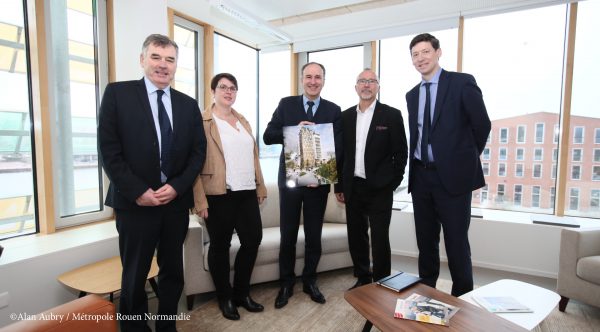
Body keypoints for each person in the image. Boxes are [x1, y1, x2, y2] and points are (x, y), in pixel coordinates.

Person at [98, 34, 206, 331]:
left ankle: (166, 325)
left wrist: (178, 186)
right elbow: (109, 150)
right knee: (135, 274)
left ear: (175, 66)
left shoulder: (187, 104)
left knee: (173, 271)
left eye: (170, 59)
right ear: (142, 59)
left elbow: (198, 153)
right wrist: (138, 192)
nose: (163, 65)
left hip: (174, 203)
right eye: (156, 57)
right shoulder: (118, 94)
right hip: (135, 205)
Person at [405, 33, 491, 296]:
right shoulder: (411, 95)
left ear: (438, 52)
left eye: (425, 52)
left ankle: (463, 296)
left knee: (456, 242)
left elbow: (482, 124)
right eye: (415, 55)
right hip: (421, 178)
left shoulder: (461, 83)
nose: (420, 58)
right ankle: (427, 291)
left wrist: (462, 159)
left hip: (453, 179)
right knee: (426, 242)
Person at [263, 62, 342, 308]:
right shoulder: (286, 105)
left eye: (318, 77)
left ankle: (310, 280)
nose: (313, 81)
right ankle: (286, 283)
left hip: (316, 186)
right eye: (308, 76)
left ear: (323, 81)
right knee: (288, 235)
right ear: (301, 79)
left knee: (313, 237)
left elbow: (337, 148)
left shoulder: (333, 110)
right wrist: (293, 130)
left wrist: (319, 177)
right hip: (290, 184)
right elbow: (268, 136)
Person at [192, 73, 267, 320]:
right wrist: (199, 201)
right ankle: (225, 298)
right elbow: (193, 163)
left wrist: (260, 186)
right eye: (223, 87)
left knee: (252, 240)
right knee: (220, 247)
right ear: (213, 90)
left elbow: (253, 156)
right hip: (218, 194)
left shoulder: (242, 120)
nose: (228, 91)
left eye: (233, 88)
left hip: (246, 192)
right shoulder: (202, 121)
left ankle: (241, 293)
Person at [336, 68, 408, 289]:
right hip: (353, 186)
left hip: (380, 188)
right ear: (356, 87)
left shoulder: (391, 115)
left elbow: (401, 153)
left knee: (379, 238)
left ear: (378, 86)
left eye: (371, 81)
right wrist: (340, 184)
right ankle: (363, 277)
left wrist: (392, 183)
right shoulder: (345, 116)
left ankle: (382, 281)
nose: (366, 85)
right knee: (356, 235)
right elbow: (341, 154)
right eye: (362, 81)